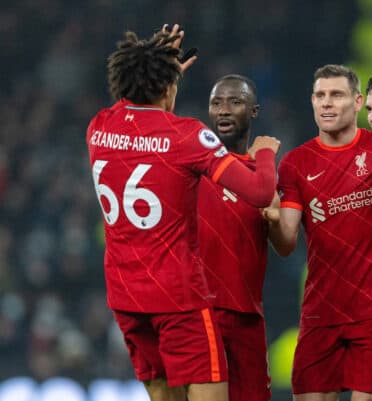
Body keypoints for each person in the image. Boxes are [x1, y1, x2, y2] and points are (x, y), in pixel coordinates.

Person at [86, 25, 280, 401]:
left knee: (162, 393)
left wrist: (155, 71)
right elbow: (260, 192)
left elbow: (129, 101)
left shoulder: (99, 127)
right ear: (167, 88)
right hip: (177, 298)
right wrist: (266, 153)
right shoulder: (185, 136)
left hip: (125, 297)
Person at [264, 64, 372, 401]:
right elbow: (286, 243)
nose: (326, 103)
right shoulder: (296, 163)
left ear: (357, 103)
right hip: (320, 313)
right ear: (312, 102)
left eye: (336, 95)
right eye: (320, 96)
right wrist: (271, 219)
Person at [196, 74, 272, 401]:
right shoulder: (191, 167)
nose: (224, 110)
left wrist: (277, 216)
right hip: (200, 314)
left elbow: (286, 244)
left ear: (253, 111)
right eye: (216, 103)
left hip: (247, 317)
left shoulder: (264, 173)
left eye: (235, 102)